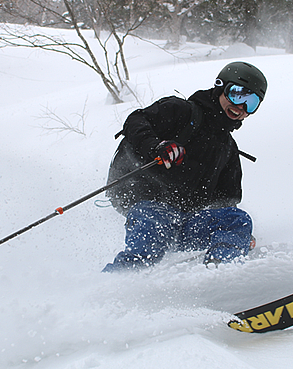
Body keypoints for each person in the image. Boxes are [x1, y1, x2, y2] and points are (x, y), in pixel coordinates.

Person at [102, 61, 267, 272]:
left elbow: (226, 202)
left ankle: (219, 276)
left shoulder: (228, 150)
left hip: (187, 222)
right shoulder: (181, 111)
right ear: (220, 88)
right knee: (153, 231)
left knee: (239, 221)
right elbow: (136, 121)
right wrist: (156, 146)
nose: (241, 107)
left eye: (251, 103)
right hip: (149, 207)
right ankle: (118, 286)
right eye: (237, 94)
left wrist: (236, 235)